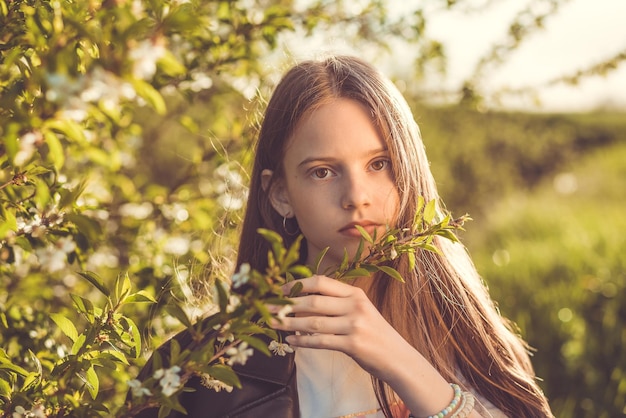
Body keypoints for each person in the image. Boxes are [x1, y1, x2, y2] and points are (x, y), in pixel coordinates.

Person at [134, 55, 553, 417]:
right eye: (322, 171)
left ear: (409, 169)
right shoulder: (205, 364)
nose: (356, 197)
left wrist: (403, 364)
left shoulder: (472, 341)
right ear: (280, 194)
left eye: (379, 164)